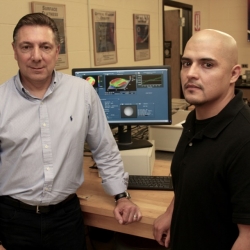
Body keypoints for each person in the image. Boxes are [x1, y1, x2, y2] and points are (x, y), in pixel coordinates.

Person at [0, 13, 142, 250]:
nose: (36, 56)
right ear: (14, 50)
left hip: (66, 218)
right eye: (27, 47)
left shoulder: (82, 92)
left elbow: (104, 149)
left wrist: (121, 196)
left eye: (45, 47)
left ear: (57, 51)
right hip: (13, 220)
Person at [153, 29, 250, 249]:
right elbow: (192, 181)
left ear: (234, 74)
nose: (191, 74)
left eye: (207, 65)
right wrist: (171, 212)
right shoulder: (193, 120)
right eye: (187, 63)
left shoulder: (244, 140)